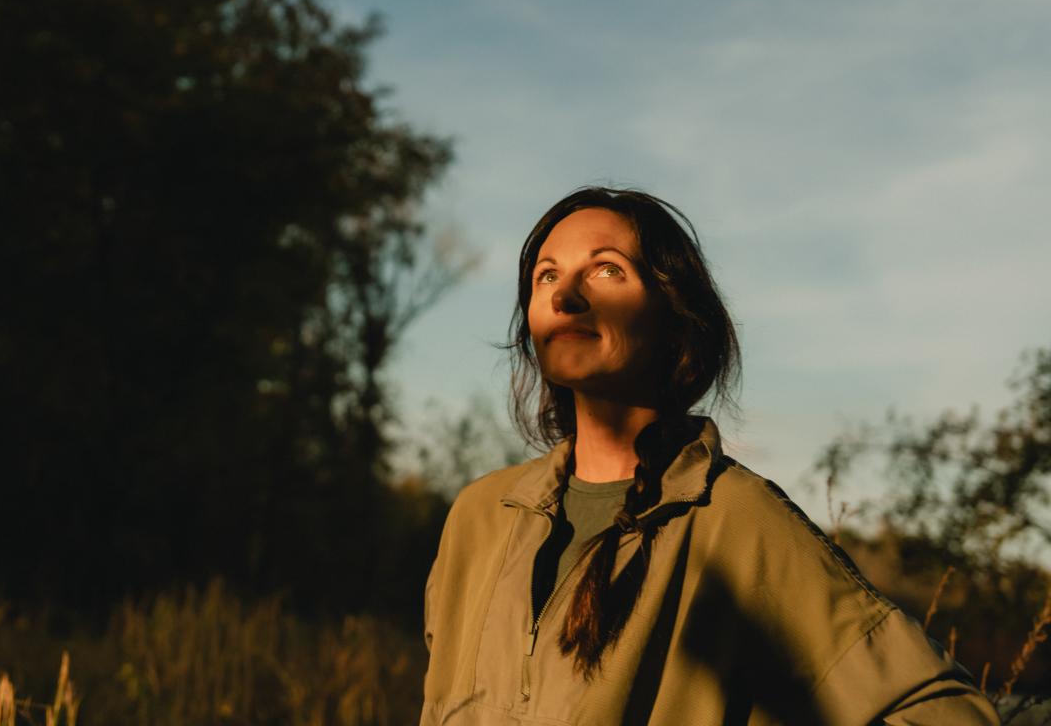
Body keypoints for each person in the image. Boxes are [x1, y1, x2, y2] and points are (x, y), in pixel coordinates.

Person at [420, 187, 998, 725]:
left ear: (674, 319)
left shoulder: (734, 521)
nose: (566, 296)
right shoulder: (479, 517)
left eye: (605, 270)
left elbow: (940, 711)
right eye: (547, 277)